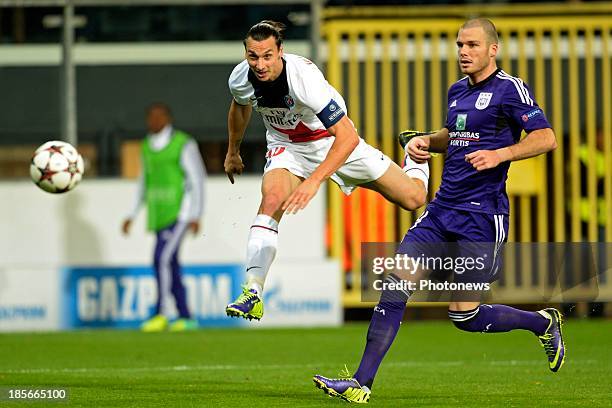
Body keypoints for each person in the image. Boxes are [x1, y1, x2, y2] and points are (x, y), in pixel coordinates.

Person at [313, 18, 562, 404]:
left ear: (493, 50)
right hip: (442, 209)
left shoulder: (510, 90)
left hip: (482, 216)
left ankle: (542, 322)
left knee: (465, 316)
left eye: (473, 45)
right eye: (460, 44)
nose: (464, 51)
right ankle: (361, 383)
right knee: (396, 284)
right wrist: (427, 141)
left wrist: (502, 153)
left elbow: (546, 138)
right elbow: (457, 134)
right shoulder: (456, 91)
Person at [224, 20, 429, 321]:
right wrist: (232, 150)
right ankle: (253, 291)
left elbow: (347, 137)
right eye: (253, 56)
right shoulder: (241, 78)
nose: (260, 64)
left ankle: (415, 150)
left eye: (267, 55)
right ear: (246, 54)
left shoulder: (303, 78)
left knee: (414, 198)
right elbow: (240, 106)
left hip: (334, 143)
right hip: (288, 147)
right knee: (271, 200)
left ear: (280, 51)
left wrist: (314, 181)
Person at [122, 102, 206, 332]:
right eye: (151, 116)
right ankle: (186, 316)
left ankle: (161, 313)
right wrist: (132, 214)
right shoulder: (146, 146)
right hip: (158, 214)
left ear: (168, 118)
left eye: (159, 116)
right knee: (170, 264)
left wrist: (196, 214)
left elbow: (197, 179)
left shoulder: (183, 143)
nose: (154, 121)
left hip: (180, 213)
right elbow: (143, 182)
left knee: (160, 258)